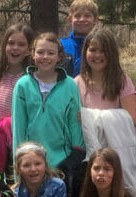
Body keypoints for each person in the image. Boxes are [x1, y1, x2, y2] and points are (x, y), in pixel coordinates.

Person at [75, 28, 136, 197]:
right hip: (95, 158)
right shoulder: (77, 83)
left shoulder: (122, 81)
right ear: (85, 52)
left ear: (111, 54)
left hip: (127, 153)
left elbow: (132, 118)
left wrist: (91, 116)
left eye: (102, 50)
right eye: (92, 50)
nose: (97, 55)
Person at [12, 32, 86, 179]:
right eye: (40, 52)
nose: (45, 57)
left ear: (59, 56)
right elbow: (18, 130)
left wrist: (76, 159)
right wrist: (18, 173)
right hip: (31, 165)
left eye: (51, 53)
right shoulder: (22, 85)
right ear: (32, 54)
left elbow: (75, 125)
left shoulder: (70, 85)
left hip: (62, 164)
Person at [0, 24, 36, 173]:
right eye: (11, 43)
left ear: (30, 49)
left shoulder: (29, 78)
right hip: (2, 141)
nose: (15, 48)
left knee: (21, 181)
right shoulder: (1, 72)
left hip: (21, 141)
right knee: (6, 182)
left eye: (21, 44)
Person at [60, 0, 99, 76]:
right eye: (77, 16)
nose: (82, 19)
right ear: (70, 19)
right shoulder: (60, 45)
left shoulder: (102, 46)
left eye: (87, 16)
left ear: (96, 20)